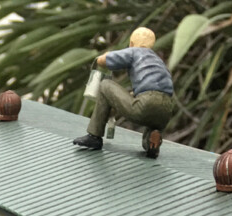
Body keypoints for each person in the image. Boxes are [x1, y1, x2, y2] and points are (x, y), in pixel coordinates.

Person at [73, 27, 174, 158]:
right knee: (151, 125)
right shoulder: (159, 61)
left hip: (146, 102)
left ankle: (94, 136)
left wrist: (100, 59)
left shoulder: (134, 51)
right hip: (166, 109)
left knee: (105, 85)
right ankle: (152, 141)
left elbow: (109, 60)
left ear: (132, 43)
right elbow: (154, 89)